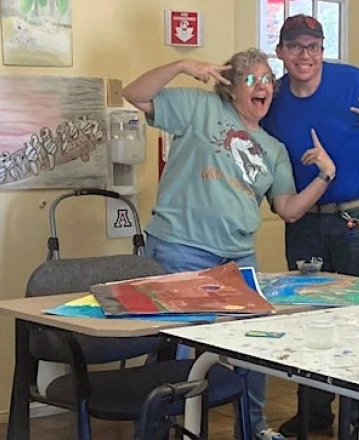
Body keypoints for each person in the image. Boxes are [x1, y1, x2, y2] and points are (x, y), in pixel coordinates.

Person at [122, 48, 338, 440]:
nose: (263, 87)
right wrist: (183, 66)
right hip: (180, 247)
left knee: (255, 345)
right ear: (231, 88)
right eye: (252, 79)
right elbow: (134, 94)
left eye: (268, 80)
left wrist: (325, 176)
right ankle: (167, 429)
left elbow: (288, 209)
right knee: (181, 350)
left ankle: (253, 428)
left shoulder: (273, 148)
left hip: (236, 258)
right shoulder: (200, 107)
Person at [259, 14, 359, 436]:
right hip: (303, 221)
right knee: (308, 319)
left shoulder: (353, 82)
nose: (305, 55)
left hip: (358, 218)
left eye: (313, 47)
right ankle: (313, 412)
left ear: (322, 50)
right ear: (282, 52)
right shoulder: (274, 97)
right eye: (296, 47)